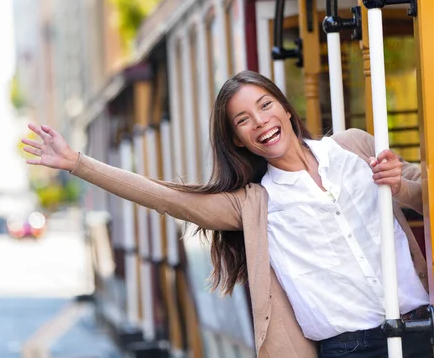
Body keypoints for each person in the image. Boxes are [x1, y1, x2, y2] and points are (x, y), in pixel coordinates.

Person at [22, 70, 430, 358]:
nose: (261, 122)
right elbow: (166, 197)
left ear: (285, 109)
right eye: (243, 120)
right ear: (238, 139)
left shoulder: (354, 147)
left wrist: (400, 187)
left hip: (421, 327)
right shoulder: (253, 203)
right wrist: (78, 162)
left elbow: (424, 193)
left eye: (266, 105)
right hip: (350, 349)